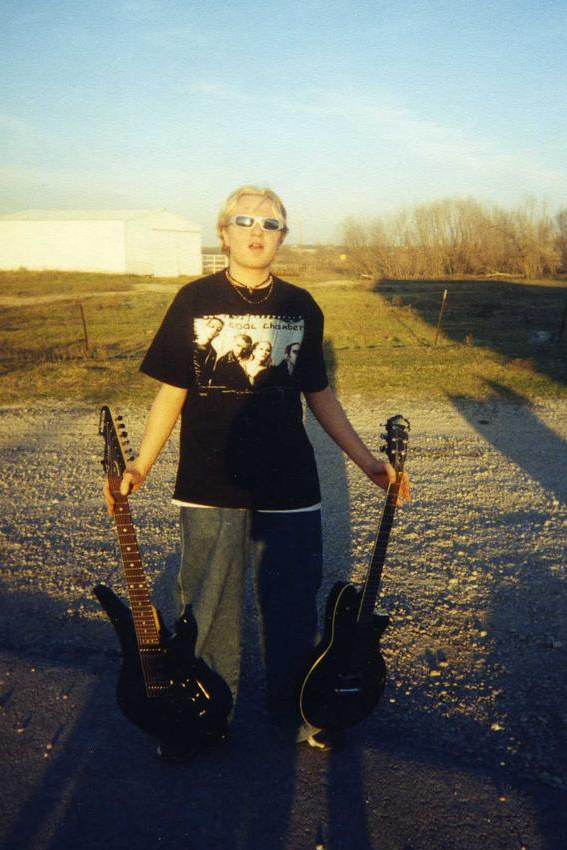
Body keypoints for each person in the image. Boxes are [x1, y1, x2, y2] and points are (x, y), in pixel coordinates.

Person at [103, 184, 409, 759]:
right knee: (208, 608)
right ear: (223, 233)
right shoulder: (193, 300)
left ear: (282, 237)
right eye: (244, 221)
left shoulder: (301, 305)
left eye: (270, 224)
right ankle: (206, 718)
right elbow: (173, 391)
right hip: (208, 482)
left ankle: (299, 716)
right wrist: (141, 464)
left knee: (291, 606)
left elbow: (319, 395)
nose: (256, 232)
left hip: (290, 485)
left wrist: (370, 463)